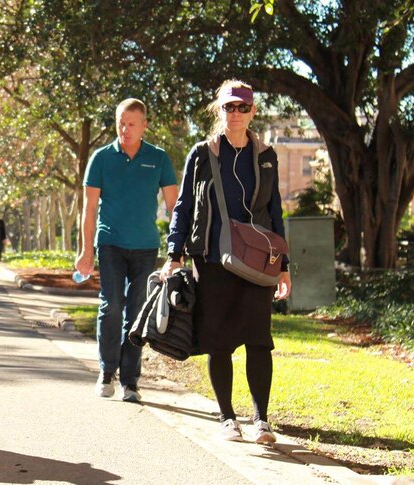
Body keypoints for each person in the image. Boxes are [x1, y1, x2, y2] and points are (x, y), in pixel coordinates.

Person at [160, 80, 291, 443]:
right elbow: (183, 206)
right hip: (212, 259)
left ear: (252, 112)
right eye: (228, 107)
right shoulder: (202, 154)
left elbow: (275, 211)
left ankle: (262, 420)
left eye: (242, 108)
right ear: (219, 110)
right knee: (218, 340)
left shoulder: (266, 156)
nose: (235, 114)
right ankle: (226, 417)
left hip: (257, 262)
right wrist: (174, 254)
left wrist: (284, 265)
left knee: (259, 339)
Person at [75, 98, 179, 403]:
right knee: (111, 307)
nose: (125, 129)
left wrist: (178, 249)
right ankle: (107, 372)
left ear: (144, 126)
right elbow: (89, 207)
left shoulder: (158, 158)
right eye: (121, 122)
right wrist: (85, 251)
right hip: (109, 244)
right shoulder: (101, 157)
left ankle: (130, 382)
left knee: (135, 313)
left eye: (132, 124)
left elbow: (175, 207)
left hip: (146, 247)